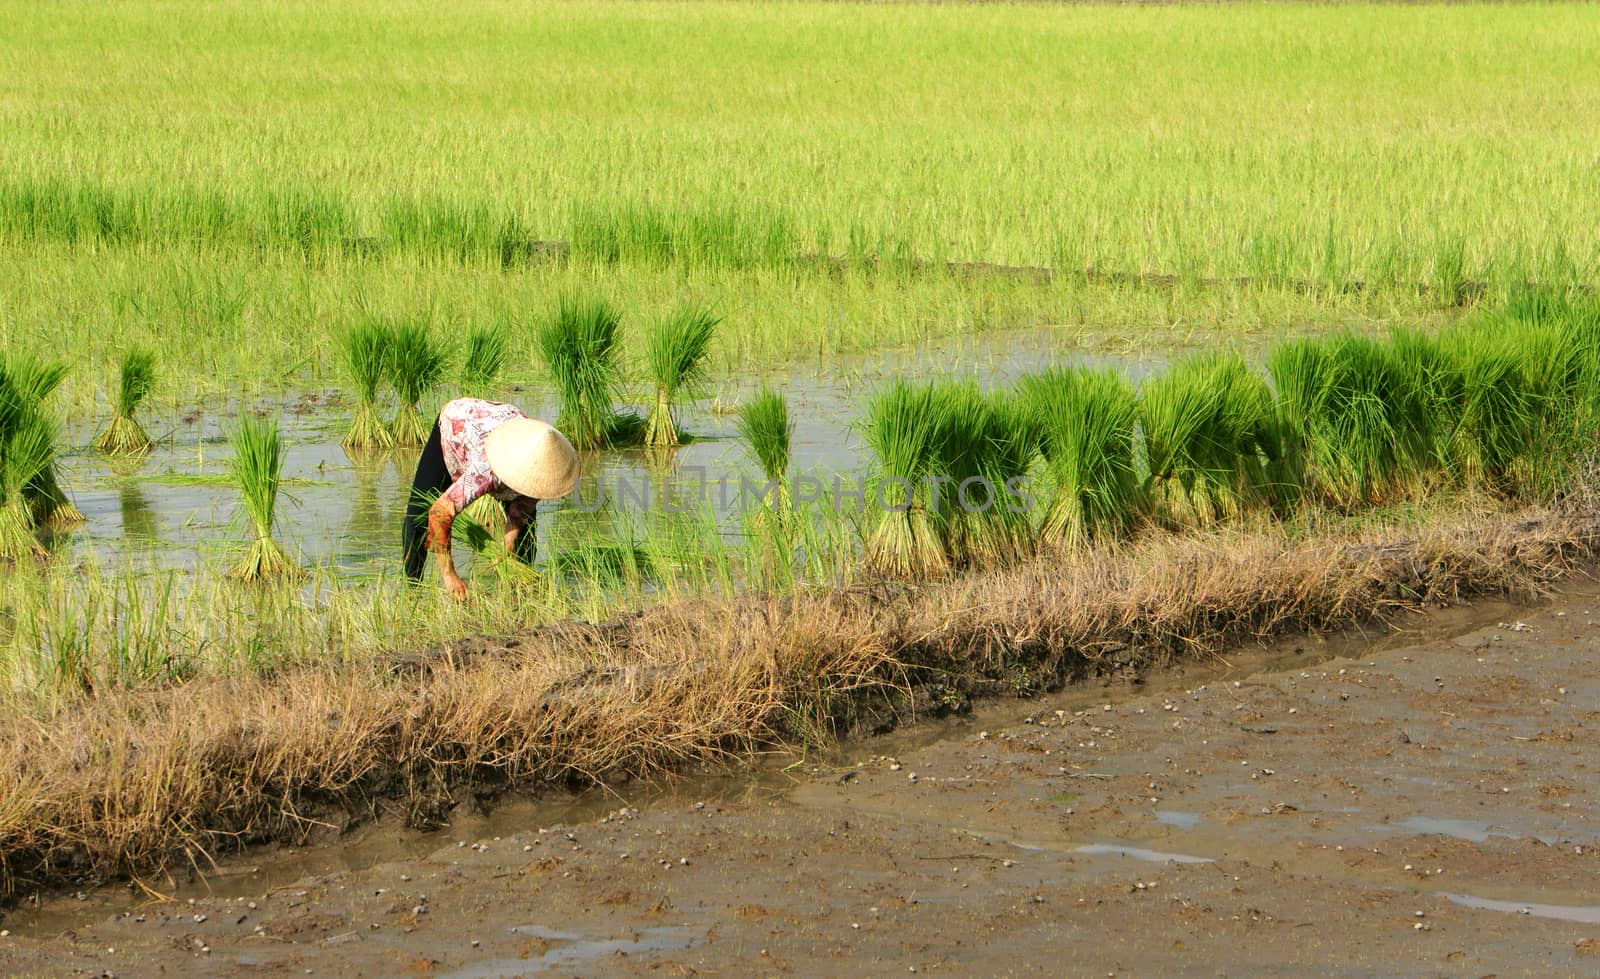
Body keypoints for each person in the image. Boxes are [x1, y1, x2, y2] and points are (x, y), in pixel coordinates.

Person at [402, 397, 578, 599]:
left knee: (524, 534)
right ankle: (411, 591)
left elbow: (525, 505)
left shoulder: (543, 466)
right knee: (418, 514)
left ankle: (521, 595)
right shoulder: (486, 470)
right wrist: (449, 574)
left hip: (505, 421)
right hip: (457, 422)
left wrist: (508, 540)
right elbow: (439, 512)